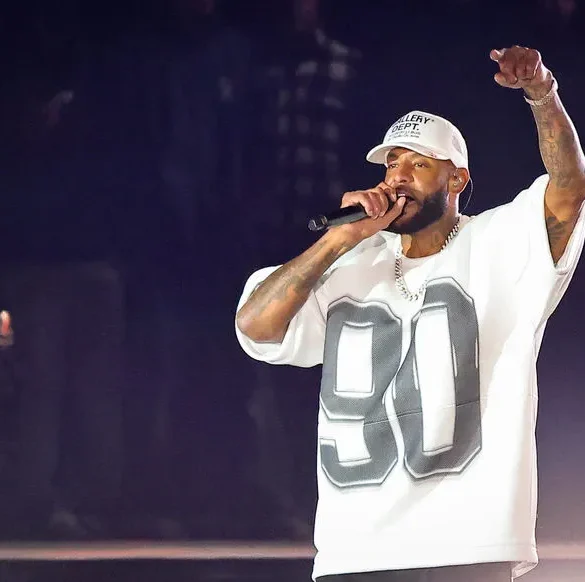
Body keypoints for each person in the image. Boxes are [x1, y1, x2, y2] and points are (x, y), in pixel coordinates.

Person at [234, 45, 585, 582]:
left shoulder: (498, 242)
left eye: (419, 164)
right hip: (357, 547)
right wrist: (338, 241)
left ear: (457, 180)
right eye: (391, 163)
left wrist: (542, 93)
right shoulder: (346, 261)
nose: (398, 176)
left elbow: (569, 188)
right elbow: (255, 326)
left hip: (468, 539)